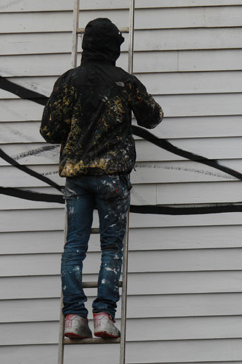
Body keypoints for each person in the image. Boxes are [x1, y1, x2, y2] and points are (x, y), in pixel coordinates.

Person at [40, 18, 163, 339]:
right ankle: (104, 317)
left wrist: (79, 124)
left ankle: (73, 318)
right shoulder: (125, 82)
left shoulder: (68, 81)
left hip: (77, 176)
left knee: (74, 246)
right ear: (114, 48)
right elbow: (153, 117)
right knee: (111, 247)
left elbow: (49, 130)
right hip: (112, 176)